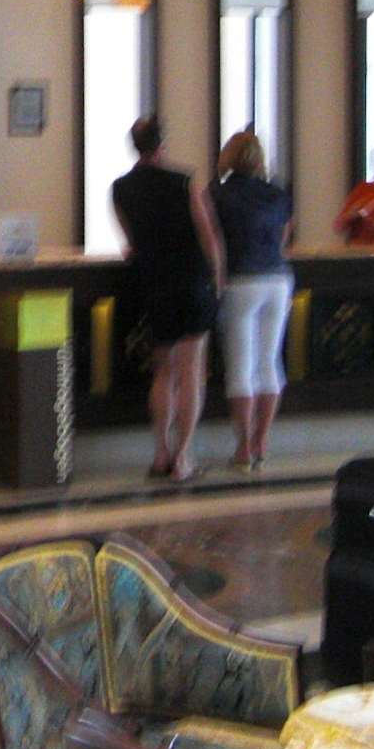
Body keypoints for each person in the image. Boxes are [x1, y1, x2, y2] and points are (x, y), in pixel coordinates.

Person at [111, 115, 224, 481]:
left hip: (155, 284)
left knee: (163, 370)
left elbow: (131, 239)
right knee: (191, 371)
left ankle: (161, 452)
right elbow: (207, 235)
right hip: (191, 281)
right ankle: (183, 457)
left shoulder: (120, 188)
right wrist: (218, 277)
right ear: (162, 144)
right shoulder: (186, 182)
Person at [210, 130, 295, 471]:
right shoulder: (278, 193)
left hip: (240, 281)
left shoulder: (219, 194)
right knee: (269, 363)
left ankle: (243, 447)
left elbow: (212, 239)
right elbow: (283, 236)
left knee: (240, 368)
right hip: (278, 280)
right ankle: (262, 441)